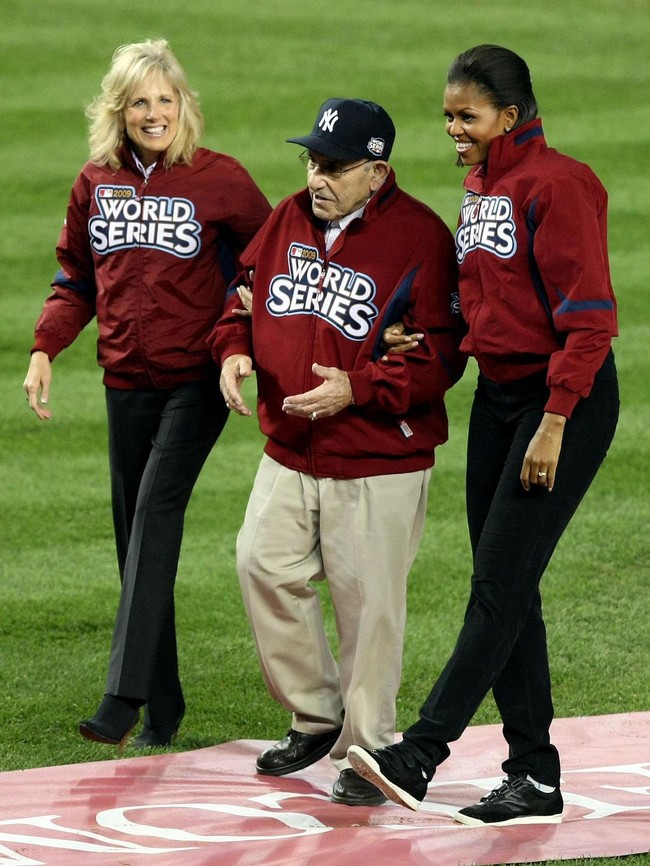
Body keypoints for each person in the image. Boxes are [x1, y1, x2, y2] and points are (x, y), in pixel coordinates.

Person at [347, 44, 619, 824]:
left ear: (511, 113)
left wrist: (556, 420)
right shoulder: (481, 185)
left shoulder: (560, 184)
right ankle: (533, 777)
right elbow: (488, 297)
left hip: (559, 401)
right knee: (509, 587)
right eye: (447, 117)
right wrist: (423, 332)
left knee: (498, 585)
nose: (453, 129)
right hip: (500, 401)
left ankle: (420, 754)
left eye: (466, 116)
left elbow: (589, 318)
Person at [208, 97, 466, 806]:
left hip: (380, 458)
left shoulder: (420, 238)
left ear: (376, 172)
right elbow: (243, 296)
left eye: (334, 167)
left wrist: (356, 389)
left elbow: (443, 357)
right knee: (261, 564)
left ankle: (369, 751)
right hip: (290, 447)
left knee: (368, 609)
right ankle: (317, 714)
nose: (316, 178)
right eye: (312, 161)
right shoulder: (289, 218)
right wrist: (233, 352)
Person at [23, 39, 271, 750]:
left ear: (184, 104)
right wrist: (45, 347)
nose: (154, 112)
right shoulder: (95, 182)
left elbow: (268, 261)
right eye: (140, 101)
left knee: (156, 516)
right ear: (119, 110)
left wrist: (239, 344)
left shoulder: (220, 180)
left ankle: (122, 697)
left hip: (196, 379)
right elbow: (74, 279)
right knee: (134, 539)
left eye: (165, 99)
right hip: (124, 380)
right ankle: (164, 706)